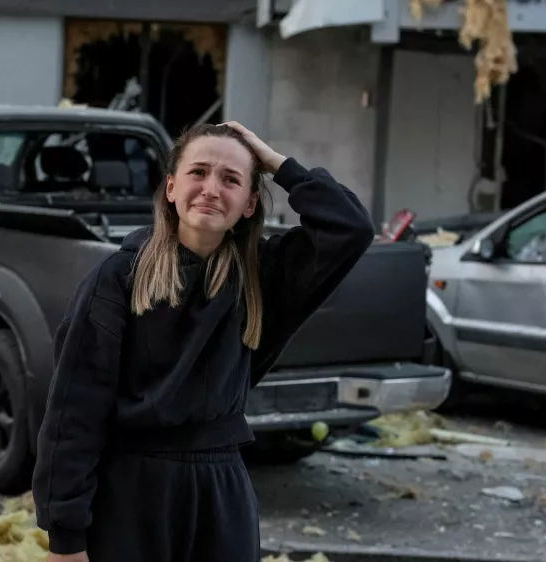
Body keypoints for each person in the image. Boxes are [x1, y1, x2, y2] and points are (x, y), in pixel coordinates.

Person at [32, 121, 376, 562]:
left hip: (220, 495)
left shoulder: (264, 279)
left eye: (231, 179)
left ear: (250, 202)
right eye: (199, 172)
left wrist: (274, 162)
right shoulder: (117, 278)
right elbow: (72, 412)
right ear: (171, 188)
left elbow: (350, 228)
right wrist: (66, 539)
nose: (212, 189)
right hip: (129, 496)